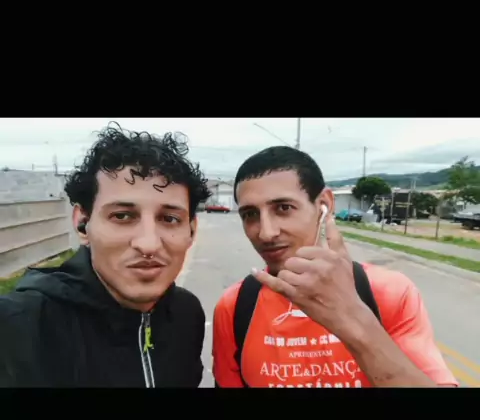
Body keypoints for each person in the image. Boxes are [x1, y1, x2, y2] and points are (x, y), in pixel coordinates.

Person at [212, 146, 458, 388]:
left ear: (324, 204)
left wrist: (353, 321)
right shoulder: (235, 306)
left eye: (283, 208)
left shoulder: (390, 293)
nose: (266, 233)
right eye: (250, 215)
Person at [0, 124, 211, 387]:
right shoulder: (19, 327)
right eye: (122, 216)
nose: (148, 244)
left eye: (169, 219)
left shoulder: (186, 314)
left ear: (191, 230)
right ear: (82, 224)